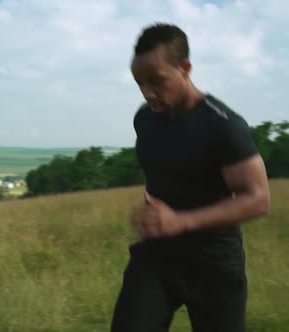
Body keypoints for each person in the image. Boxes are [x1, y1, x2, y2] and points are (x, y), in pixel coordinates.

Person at [110, 22, 271, 332]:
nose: (148, 93)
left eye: (156, 81)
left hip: (213, 263)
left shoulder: (223, 125)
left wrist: (179, 221)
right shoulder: (145, 119)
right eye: (139, 83)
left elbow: (258, 199)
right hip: (156, 256)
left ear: (185, 68)